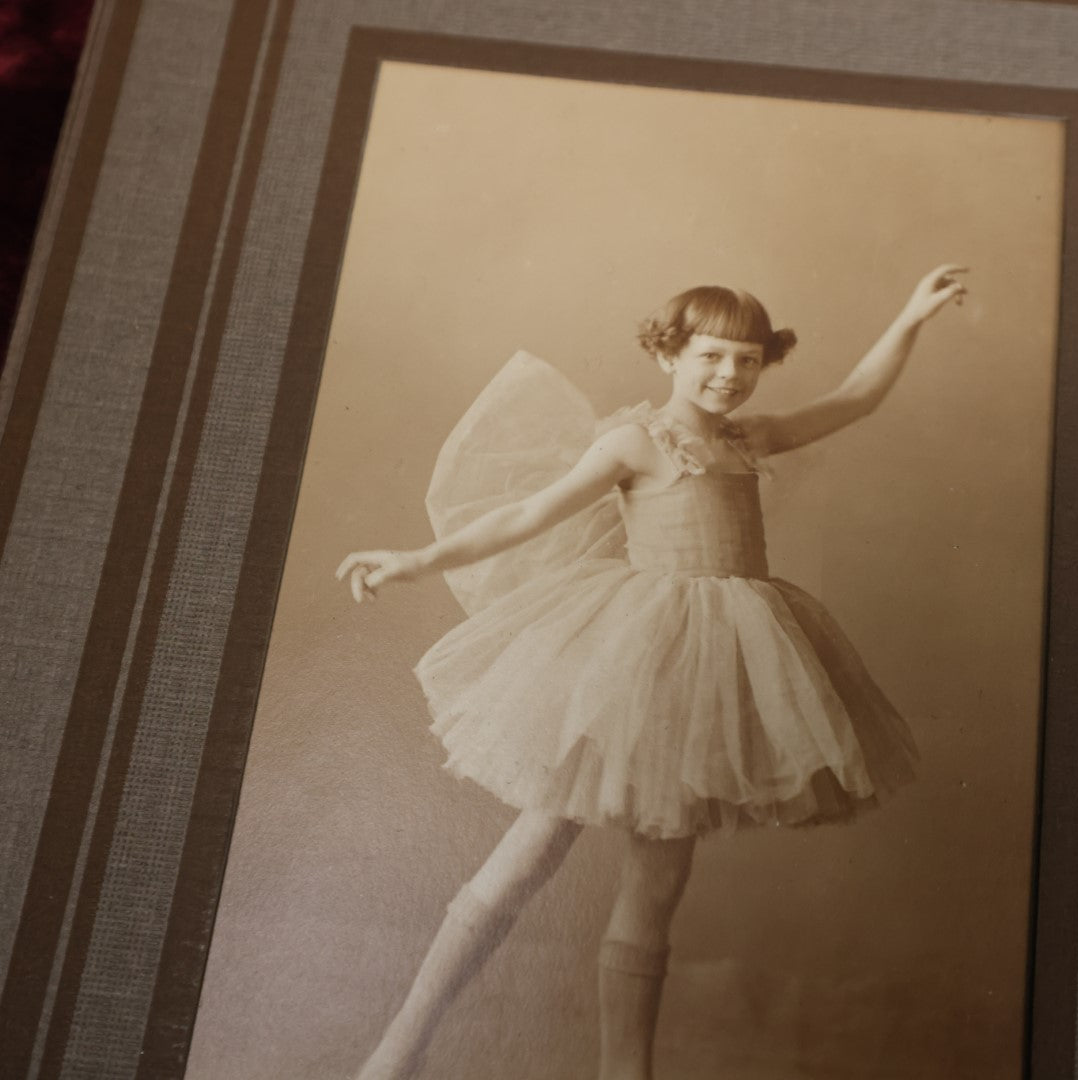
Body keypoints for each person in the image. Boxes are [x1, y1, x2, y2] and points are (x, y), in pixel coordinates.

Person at [336, 264, 968, 1080]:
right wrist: (418, 558)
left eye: (746, 360)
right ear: (668, 355)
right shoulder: (636, 440)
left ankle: (624, 1072)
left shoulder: (748, 438)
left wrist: (910, 316)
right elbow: (530, 514)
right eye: (710, 356)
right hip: (630, 659)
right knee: (531, 850)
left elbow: (853, 399)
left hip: (712, 671)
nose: (728, 375)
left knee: (657, 884)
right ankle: (397, 1053)